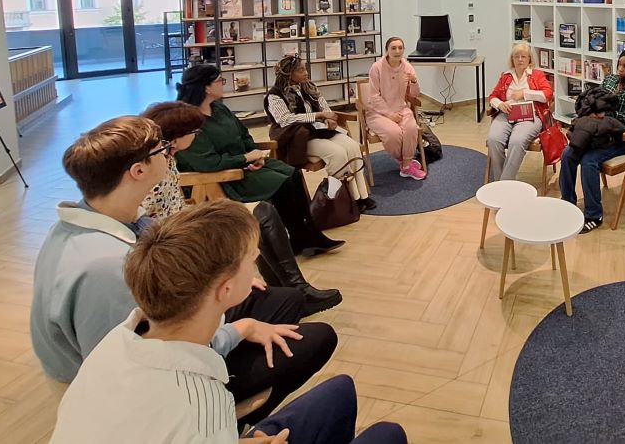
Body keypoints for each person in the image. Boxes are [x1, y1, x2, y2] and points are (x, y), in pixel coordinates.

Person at [30, 117, 338, 423]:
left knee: (287, 300)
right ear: (138, 171)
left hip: (167, 336)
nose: (169, 153)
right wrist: (242, 329)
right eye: (162, 149)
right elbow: (147, 361)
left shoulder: (102, 220)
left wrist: (230, 279)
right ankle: (222, 421)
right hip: (151, 389)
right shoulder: (107, 269)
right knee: (316, 340)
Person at [50, 200, 407, 444]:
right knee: (388, 435)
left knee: (340, 390)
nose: (257, 260)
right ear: (225, 288)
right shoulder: (198, 406)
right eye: (251, 257)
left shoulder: (122, 337)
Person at [142, 100, 342, 316]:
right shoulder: (155, 166)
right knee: (259, 215)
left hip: (183, 218)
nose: (197, 135)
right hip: (175, 230)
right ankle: (294, 291)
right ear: (177, 137)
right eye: (194, 132)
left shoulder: (167, 158)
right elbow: (149, 216)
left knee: (263, 211)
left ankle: (289, 290)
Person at [174, 64, 343, 256]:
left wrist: (255, 153)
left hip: (245, 165)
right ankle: (301, 237)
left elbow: (243, 134)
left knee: (292, 173)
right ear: (206, 87)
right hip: (225, 177)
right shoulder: (187, 121)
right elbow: (208, 163)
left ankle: (307, 233)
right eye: (220, 80)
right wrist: (246, 158)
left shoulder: (219, 108)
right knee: (283, 183)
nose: (224, 84)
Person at [265, 54, 373, 209]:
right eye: (301, 70)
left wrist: (329, 119)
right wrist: (319, 115)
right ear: (289, 74)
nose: (306, 72)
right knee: (337, 153)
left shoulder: (309, 87)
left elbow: (324, 106)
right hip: (299, 138)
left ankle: (361, 196)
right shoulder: (274, 95)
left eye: (305, 68)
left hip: (320, 130)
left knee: (353, 147)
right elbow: (285, 120)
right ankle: (344, 200)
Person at [559, 49, 625, 232]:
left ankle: (594, 214)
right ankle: (567, 202)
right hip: (595, 134)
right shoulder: (610, 80)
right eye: (620, 64)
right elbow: (594, 99)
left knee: (588, 161)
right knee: (568, 154)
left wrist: (607, 114)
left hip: (621, 138)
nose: (620, 69)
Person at [486, 42, 554, 181]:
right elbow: (492, 96)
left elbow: (547, 94)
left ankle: (504, 183)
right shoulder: (506, 76)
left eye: (523, 56)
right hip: (507, 114)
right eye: (516, 56)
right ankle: (504, 179)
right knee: (493, 140)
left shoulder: (537, 75)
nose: (520, 59)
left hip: (530, 115)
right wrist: (500, 104)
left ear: (529, 59)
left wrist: (525, 93)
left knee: (516, 141)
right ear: (512, 59)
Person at [366, 37, 426, 179]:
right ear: (387, 50)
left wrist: (414, 81)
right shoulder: (376, 68)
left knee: (411, 128)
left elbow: (414, 95)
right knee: (393, 134)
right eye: (393, 48)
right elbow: (374, 97)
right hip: (378, 113)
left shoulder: (407, 67)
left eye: (400, 48)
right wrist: (389, 114)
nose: (397, 51)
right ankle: (405, 162)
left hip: (401, 109)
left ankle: (406, 166)